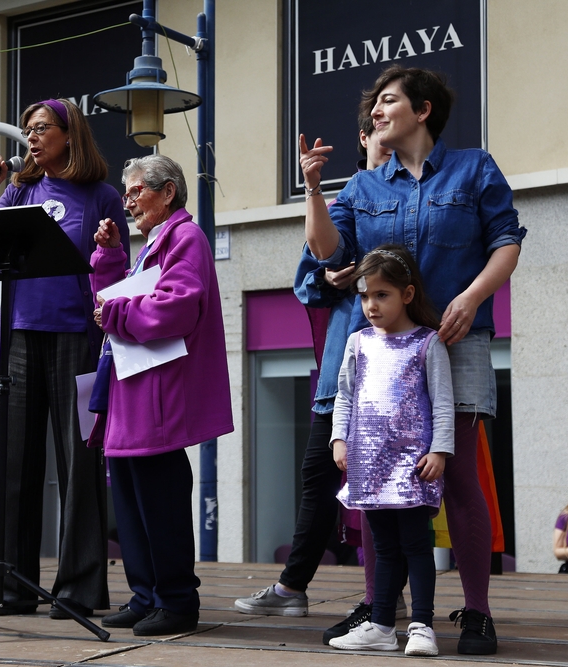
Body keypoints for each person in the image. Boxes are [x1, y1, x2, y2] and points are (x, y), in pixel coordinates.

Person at [300, 65, 526, 655]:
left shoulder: (475, 168)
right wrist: (315, 188)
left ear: (423, 110)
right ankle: (383, 616)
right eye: (373, 103)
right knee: (378, 476)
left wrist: (471, 297)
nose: (375, 110)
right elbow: (328, 250)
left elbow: (507, 241)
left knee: (458, 475)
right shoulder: (362, 186)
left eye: (388, 101)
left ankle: (476, 612)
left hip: (460, 340)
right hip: (383, 352)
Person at [235, 114, 408, 634]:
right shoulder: (340, 202)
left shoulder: (410, 199)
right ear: (364, 137)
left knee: (387, 488)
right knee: (319, 478)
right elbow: (306, 285)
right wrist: (332, 276)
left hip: (390, 369)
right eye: (378, 129)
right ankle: (292, 589)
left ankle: (390, 600)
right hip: (339, 371)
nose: (388, 138)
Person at [0, 99, 130, 618]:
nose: (32, 137)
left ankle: (78, 590)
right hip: (19, 337)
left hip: (76, 340)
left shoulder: (102, 196)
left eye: (42, 128)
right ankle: (12, 585)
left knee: (78, 466)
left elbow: (118, 271)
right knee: (15, 465)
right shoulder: (19, 189)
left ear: (69, 134)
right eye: (27, 130)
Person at [90, 154, 233, 636]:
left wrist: (116, 314)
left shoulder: (185, 237)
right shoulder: (154, 243)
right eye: (126, 193)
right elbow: (122, 297)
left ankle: (175, 601)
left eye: (136, 191)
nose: (127, 201)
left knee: (159, 501)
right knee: (131, 501)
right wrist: (110, 257)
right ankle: (146, 594)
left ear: (167, 191)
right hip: (135, 389)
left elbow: (175, 308)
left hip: (157, 391)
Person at [325, 245, 453, 657]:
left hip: (413, 464)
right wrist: (339, 439)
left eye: (382, 295)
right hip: (368, 463)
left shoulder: (427, 344)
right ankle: (381, 625)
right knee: (381, 547)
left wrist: (440, 451)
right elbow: (343, 395)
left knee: (417, 544)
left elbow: (444, 401)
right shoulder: (358, 342)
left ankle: (421, 626)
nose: (371, 305)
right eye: (364, 296)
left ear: (408, 295)